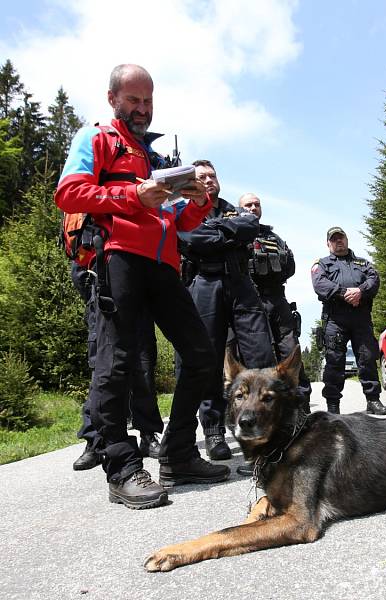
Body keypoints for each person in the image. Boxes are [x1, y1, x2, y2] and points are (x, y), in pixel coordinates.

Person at [55, 64, 228, 509]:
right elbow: (69, 193)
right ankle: (121, 466)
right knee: (118, 361)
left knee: (202, 354)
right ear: (113, 98)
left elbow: (177, 221)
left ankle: (178, 453)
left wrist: (196, 202)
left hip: (164, 265)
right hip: (118, 257)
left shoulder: (155, 158)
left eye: (148, 101)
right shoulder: (95, 138)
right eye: (134, 100)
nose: (142, 109)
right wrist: (134, 196)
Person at [178, 163, 276, 461]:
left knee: (260, 353)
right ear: (191, 184)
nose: (208, 181)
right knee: (207, 357)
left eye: (212, 176)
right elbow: (190, 238)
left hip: (240, 284)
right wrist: (226, 236)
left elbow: (249, 227)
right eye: (201, 177)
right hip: (204, 284)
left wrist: (213, 232)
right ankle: (213, 430)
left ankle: (264, 429)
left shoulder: (235, 211)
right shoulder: (184, 212)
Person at [71, 258, 163, 470]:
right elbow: (79, 270)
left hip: (139, 306)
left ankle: (148, 436)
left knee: (144, 371)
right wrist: (96, 297)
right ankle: (94, 442)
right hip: (103, 307)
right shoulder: (92, 225)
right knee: (101, 376)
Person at [238, 193, 311, 408]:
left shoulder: (273, 237)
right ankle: (262, 406)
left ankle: (301, 404)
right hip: (249, 300)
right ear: (239, 209)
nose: (253, 208)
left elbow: (290, 267)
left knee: (290, 350)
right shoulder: (234, 234)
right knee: (257, 356)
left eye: (256, 204)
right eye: (248, 205)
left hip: (277, 298)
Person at [311, 227, 386, 415]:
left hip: (361, 317)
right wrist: (344, 292)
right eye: (334, 239)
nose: (339, 241)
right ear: (328, 244)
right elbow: (320, 284)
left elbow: (374, 280)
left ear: (346, 240)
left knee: (367, 358)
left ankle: (373, 400)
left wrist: (361, 291)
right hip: (335, 319)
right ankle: (333, 405)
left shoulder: (362, 263)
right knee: (334, 361)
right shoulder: (322, 264)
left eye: (341, 238)